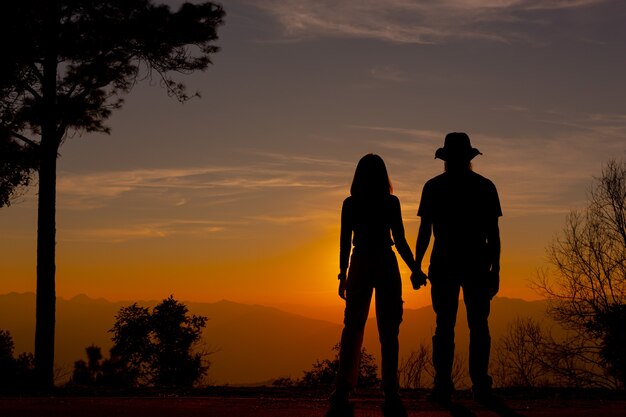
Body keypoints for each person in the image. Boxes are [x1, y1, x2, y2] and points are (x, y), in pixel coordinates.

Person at [412, 132, 502, 405]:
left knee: (445, 326)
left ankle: (443, 385)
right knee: (478, 325)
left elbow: (424, 231)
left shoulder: (433, 187)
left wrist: (417, 266)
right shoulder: (485, 187)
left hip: (444, 262)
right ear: (469, 158)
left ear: (445, 159)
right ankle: (479, 386)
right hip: (475, 262)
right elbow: (493, 235)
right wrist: (495, 270)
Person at [326, 154, 417, 417]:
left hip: (362, 260)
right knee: (389, 330)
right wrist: (414, 269)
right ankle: (390, 389)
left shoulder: (351, 203)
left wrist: (343, 274)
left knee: (353, 326)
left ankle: (344, 387)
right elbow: (399, 240)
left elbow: (345, 241)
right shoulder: (390, 202)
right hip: (385, 262)